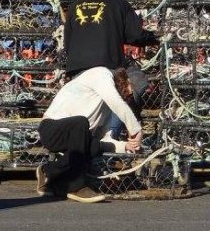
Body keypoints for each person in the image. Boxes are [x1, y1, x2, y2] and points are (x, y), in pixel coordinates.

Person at [37, 67, 142, 203]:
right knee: (81, 122)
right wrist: (135, 129)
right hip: (52, 129)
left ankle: (50, 173)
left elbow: (105, 140)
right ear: (126, 80)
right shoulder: (101, 74)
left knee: (94, 145)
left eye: (131, 97)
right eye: (130, 89)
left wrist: (126, 146)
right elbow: (116, 102)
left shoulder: (106, 108)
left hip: (76, 138)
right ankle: (77, 185)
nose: (129, 94)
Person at [63, 0, 157, 76]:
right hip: (109, 64)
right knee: (138, 80)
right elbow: (135, 35)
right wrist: (154, 38)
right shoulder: (117, 2)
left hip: (77, 67)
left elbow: (67, 42)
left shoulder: (73, 7)